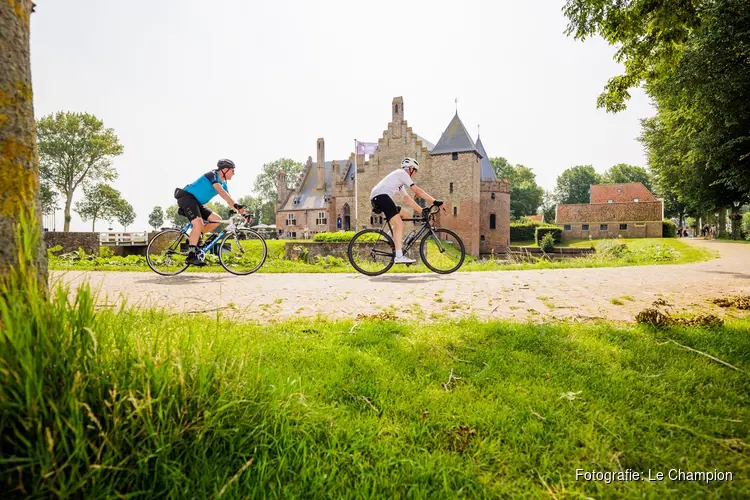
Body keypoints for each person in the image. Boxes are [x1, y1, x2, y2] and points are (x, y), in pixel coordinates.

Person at [370, 157, 442, 264]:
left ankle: (389, 236)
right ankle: (399, 256)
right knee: (399, 224)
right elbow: (417, 191)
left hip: (381, 197)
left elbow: (408, 199)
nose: (414, 174)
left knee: (406, 214)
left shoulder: (400, 181)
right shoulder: (402, 173)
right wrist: (434, 201)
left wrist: (421, 210)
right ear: (411, 168)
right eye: (415, 171)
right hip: (381, 197)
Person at [174, 159, 245, 265]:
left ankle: (195, 238)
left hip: (197, 203)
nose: (234, 173)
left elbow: (228, 199)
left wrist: (242, 212)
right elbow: (221, 192)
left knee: (217, 220)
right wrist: (235, 206)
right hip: (187, 198)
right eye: (232, 170)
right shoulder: (212, 175)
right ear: (225, 170)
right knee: (198, 223)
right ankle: (191, 256)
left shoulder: (224, 183)